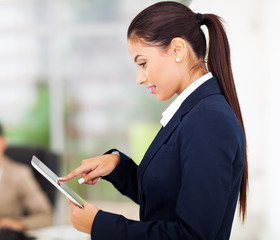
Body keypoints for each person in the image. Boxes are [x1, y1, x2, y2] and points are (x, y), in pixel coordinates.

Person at [59, 1, 248, 239]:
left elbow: (193, 235)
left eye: (143, 63)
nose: (139, 78)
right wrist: (117, 166)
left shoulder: (208, 120)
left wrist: (100, 225)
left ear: (178, 50)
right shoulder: (194, 112)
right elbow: (166, 198)